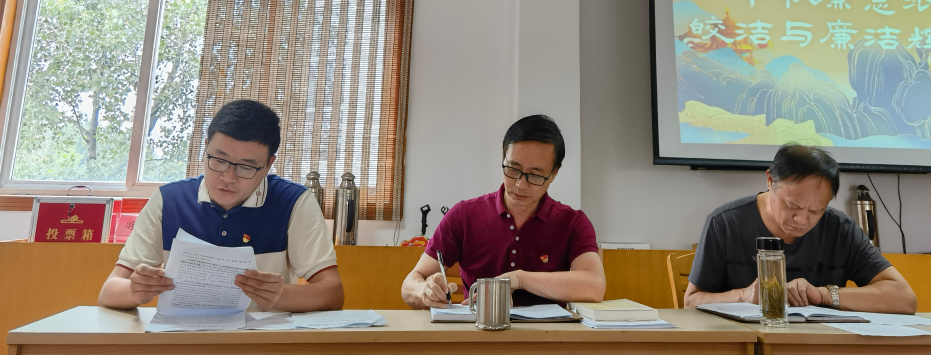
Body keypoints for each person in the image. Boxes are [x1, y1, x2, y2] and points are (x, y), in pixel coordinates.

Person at [98, 100, 344, 312]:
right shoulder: (168, 200)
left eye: (246, 167)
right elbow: (108, 292)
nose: (228, 177)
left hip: (259, 341)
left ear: (268, 165)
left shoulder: (294, 202)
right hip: (181, 339)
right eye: (218, 159)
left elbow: (333, 292)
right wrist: (136, 290)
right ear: (205, 147)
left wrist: (280, 296)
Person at [401, 115, 606, 308]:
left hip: (549, 334)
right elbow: (411, 283)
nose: (520, 184)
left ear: (554, 173)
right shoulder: (464, 215)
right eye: (513, 169)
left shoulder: (572, 222)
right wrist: (425, 291)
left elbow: (594, 286)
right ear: (503, 158)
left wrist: (520, 279)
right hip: (478, 331)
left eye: (535, 175)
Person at [684, 144, 917, 314]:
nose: (802, 220)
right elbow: (691, 301)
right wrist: (743, 296)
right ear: (770, 181)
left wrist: (823, 294)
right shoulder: (725, 223)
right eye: (792, 206)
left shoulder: (840, 228)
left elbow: (904, 298)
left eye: (816, 211)